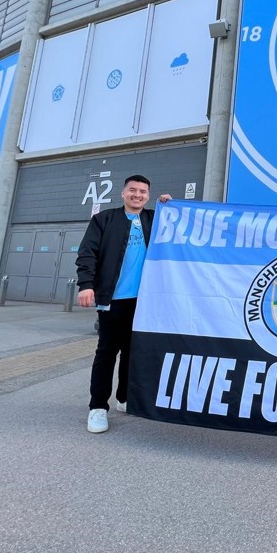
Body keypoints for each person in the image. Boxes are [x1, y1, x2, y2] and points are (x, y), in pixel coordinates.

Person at [76, 175, 168, 434]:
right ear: (123, 193)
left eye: (143, 191)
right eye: (132, 190)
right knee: (106, 353)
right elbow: (87, 253)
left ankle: (124, 398)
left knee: (133, 352)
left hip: (144, 302)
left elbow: (177, 228)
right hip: (113, 300)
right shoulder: (104, 220)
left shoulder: (153, 219)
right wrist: (86, 285)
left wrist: (169, 205)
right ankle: (97, 407)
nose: (137, 195)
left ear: (148, 195)